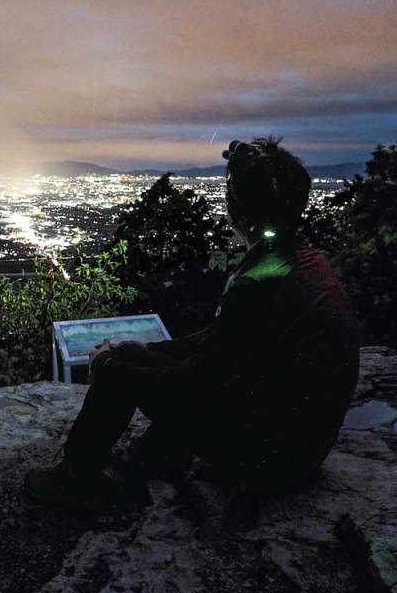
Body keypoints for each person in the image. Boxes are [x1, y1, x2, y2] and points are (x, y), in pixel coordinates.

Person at [24, 137, 361, 513]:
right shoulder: (301, 262)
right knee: (145, 364)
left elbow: (192, 383)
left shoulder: (260, 281)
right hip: (300, 449)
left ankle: (78, 478)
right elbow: (222, 345)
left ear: (237, 209)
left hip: (270, 460)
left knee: (118, 374)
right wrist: (150, 350)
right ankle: (153, 456)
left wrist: (109, 367)